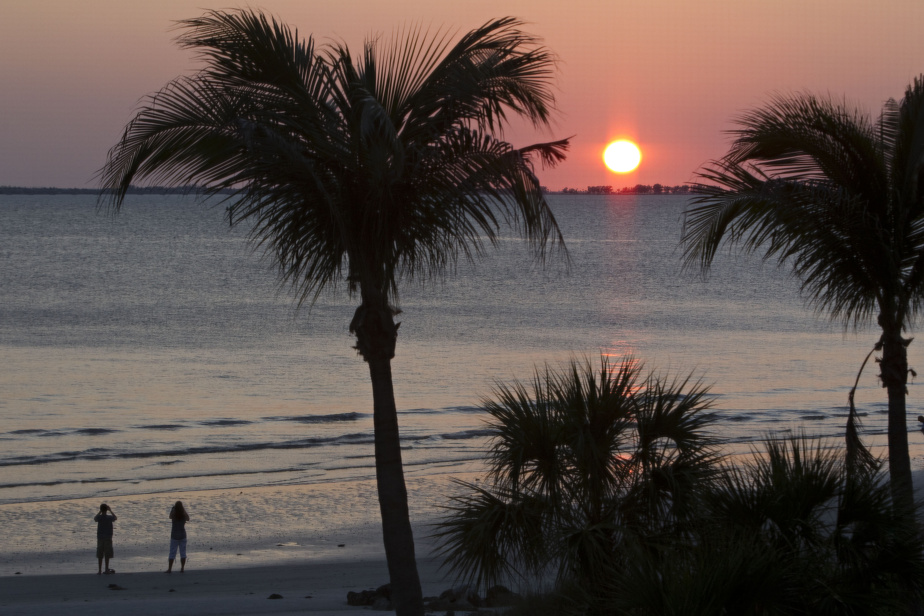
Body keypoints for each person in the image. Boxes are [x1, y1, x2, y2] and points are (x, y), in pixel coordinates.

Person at [167, 500, 190, 573]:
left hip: (174, 535)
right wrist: (184, 510)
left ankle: (170, 569)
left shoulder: (174, 514)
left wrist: (173, 509)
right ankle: (182, 568)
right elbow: (188, 518)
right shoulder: (183, 514)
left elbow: (170, 516)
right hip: (183, 535)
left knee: (172, 552)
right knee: (183, 552)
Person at [94, 503, 117, 574]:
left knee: (100, 554)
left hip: (100, 538)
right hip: (108, 537)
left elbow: (95, 518)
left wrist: (100, 511)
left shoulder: (99, 518)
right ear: (106, 509)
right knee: (107, 554)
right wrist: (110, 510)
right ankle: (106, 569)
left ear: (101, 509)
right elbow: (115, 518)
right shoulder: (109, 517)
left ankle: (99, 570)